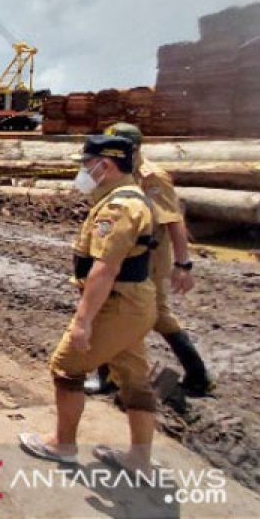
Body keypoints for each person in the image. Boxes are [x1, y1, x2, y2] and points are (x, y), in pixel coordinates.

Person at [20, 135, 158, 473]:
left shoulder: (119, 207)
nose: (83, 171)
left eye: (87, 165)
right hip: (136, 304)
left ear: (105, 165)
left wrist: (83, 321)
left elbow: (105, 268)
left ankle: (62, 444)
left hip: (117, 304)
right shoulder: (130, 197)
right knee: (134, 379)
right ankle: (140, 459)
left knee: (66, 366)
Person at [83, 123, 212, 396]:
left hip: (148, 259)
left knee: (156, 315)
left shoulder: (152, 177)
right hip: (121, 254)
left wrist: (183, 265)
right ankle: (107, 376)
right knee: (106, 306)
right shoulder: (115, 173)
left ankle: (197, 374)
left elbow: (174, 221)